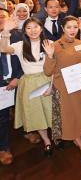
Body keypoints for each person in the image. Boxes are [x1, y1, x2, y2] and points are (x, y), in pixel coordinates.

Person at [43, 16, 81, 163]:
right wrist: (50, 56)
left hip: (78, 86)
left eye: (75, 27)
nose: (72, 30)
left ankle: (76, 140)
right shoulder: (55, 46)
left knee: (78, 115)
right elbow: (47, 71)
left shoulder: (80, 44)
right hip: (62, 88)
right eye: (69, 27)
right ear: (63, 28)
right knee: (68, 117)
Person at [0, 17, 53, 156]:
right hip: (29, 83)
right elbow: (3, 48)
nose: (33, 30)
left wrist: (52, 86)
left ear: (41, 28)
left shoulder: (50, 43)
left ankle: (56, 137)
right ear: (25, 31)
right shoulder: (20, 45)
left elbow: (55, 67)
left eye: (36, 27)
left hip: (47, 80)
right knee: (37, 114)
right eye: (29, 28)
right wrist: (6, 31)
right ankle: (46, 140)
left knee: (51, 111)